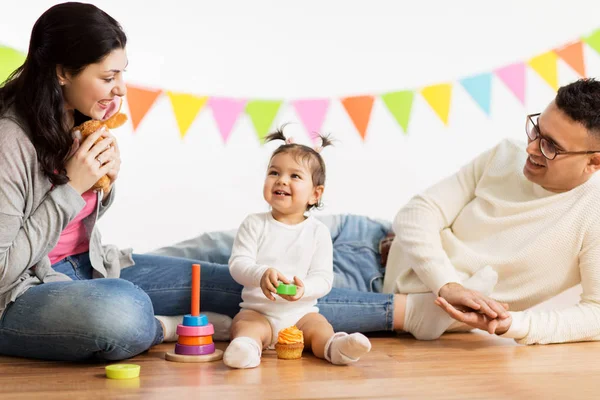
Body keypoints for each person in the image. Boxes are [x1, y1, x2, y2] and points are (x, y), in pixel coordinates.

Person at [0, 2, 404, 362]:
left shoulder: (78, 120)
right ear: (62, 73)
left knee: (252, 286)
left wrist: (103, 184)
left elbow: (78, 223)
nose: (120, 89)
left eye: (123, 73)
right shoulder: (10, 140)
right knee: (122, 311)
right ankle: (165, 326)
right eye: (109, 77)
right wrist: (72, 188)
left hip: (88, 265)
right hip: (20, 292)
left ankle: (406, 311)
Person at [382, 77, 600, 345]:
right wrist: (448, 286)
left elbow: (596, 313)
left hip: (387, 298)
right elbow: (415, 213)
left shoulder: (593, 214)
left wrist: (512, 324)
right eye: (536, 130)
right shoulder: (506, 153)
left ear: (594, 161)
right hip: (371, 242)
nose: (531, 148)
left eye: (551, 146)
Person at [222, 130, 371, 369]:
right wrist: (260, 274)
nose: (281, 180)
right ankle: (246, 348)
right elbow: (238, 264)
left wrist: (304, 290)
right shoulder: (254, 223)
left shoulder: (318, 232)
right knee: (246, 325)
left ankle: (336, 347)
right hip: (259, 311)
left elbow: (323, 278)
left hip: (301, 314)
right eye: (274, 172)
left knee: (319, 327)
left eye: (295, 176)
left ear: (315, 194)